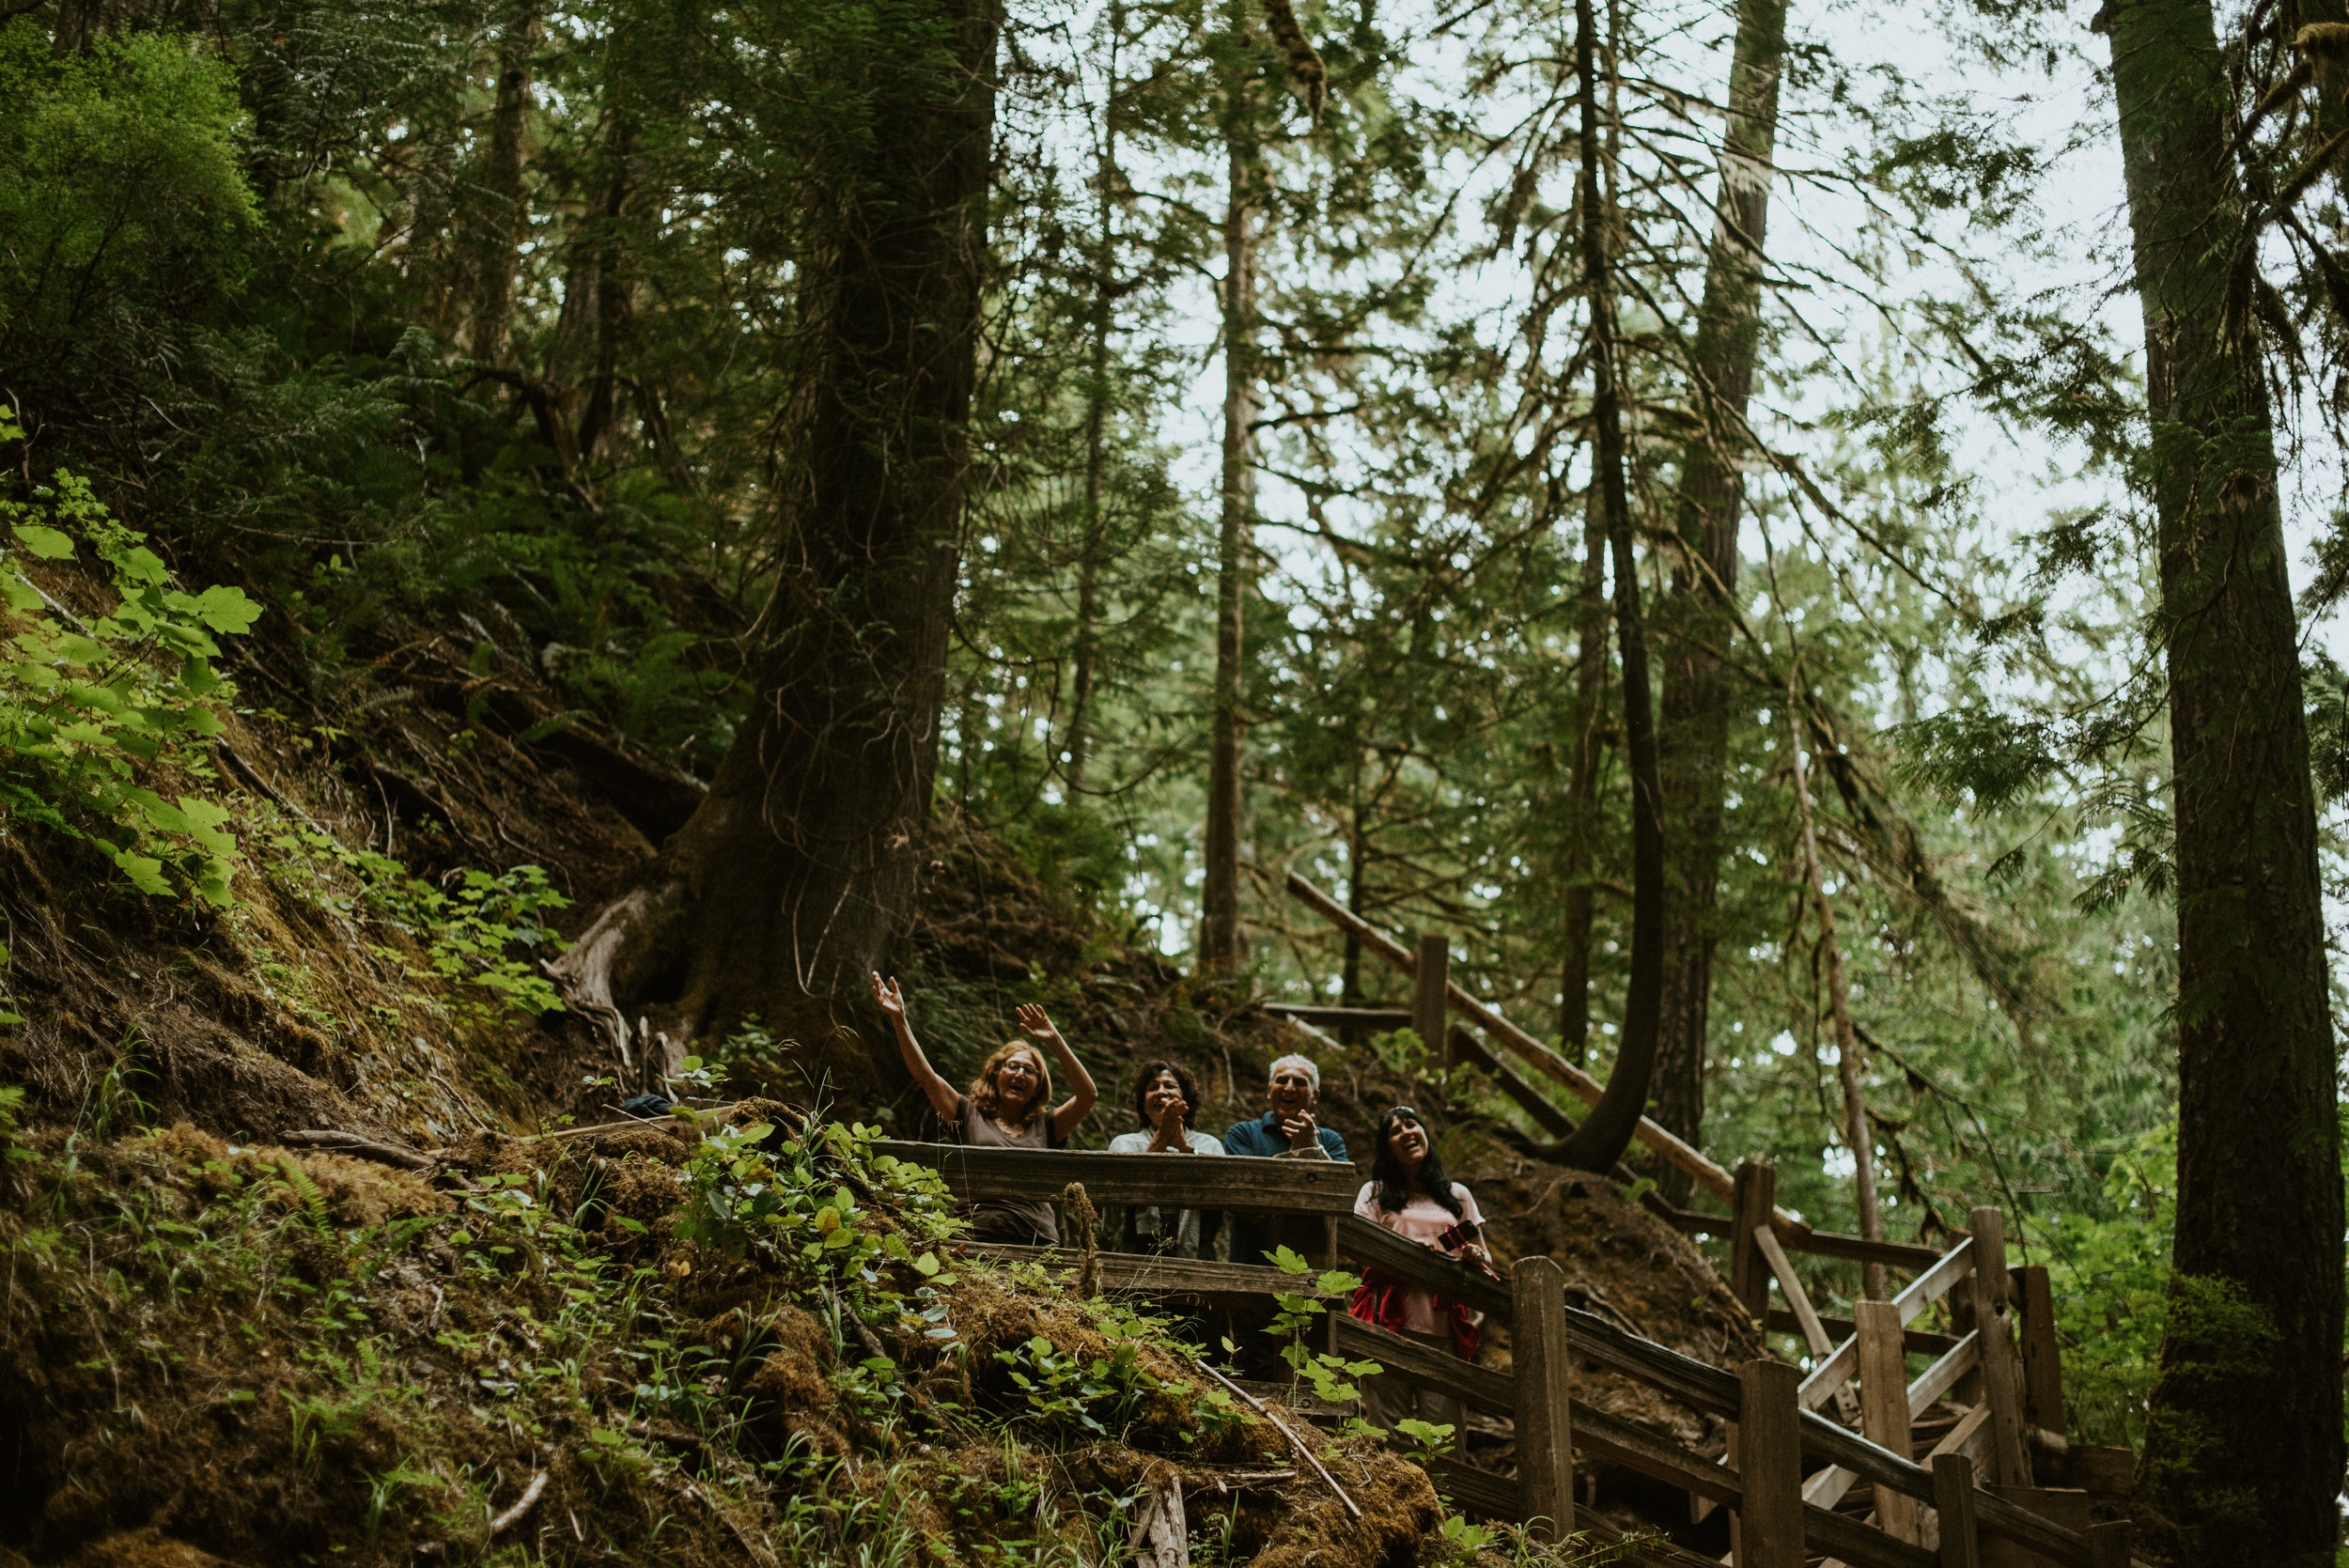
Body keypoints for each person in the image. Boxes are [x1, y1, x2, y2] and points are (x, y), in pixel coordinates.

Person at [873, 970, 1097, 1246]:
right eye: (1012, 1066)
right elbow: (925, 1076)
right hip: (975, 1235)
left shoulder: (1047, 1126)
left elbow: (1087, 1096)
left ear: (1038, 1086)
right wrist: (900, 1019)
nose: (1019, 1074)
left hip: (1036, 1241)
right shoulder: (967, 1114)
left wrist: (1054, 1041)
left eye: (1030, 1070)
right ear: (996, 1074)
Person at [1347, 1105, 1490, 1441]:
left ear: (1425, 1133)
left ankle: (1444, 1495)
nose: (1406, 1133)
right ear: (1387, 1147)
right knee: (1387, 1429)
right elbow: (1360, 1250)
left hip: (1442, 1328)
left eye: (1412, 1125)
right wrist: (1407, 1253)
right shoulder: (1375, 1193)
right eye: (1395, 1131)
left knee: (1444, 1435)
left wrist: (1472, 1255)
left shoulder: (1457, 1196)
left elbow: (1487, 1259)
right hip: (1387, 1322)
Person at [1224, 1053, 1348, 1269]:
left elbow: (1341, 1194)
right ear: (1269, 1089)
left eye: (1300, 1082)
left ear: (1315, 1096)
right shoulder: (1243, 1133)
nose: (1289, 1087)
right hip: (1250, 1264)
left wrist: (1311, 1148)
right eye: (1282, 1080)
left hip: (1311, 1266)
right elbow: (1245, 1193)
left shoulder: (1330, 1140)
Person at [1106, 1059, 1225, 1258]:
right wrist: (1162, 1137)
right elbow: (1122, 1192)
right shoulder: (1125, 1144)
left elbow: (1219, 1198)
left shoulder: (1209, 1144)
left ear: (1185, 1100)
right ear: (1144, 1105)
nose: (1161, 1092)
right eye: (1153, 1087)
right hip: (1137, 1256)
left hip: (1196, 1256)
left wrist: (1184, 1148)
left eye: (1170, 1086)